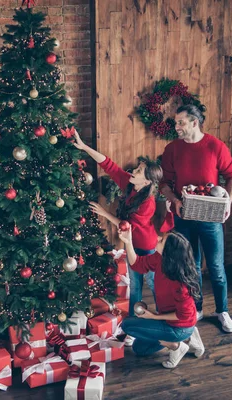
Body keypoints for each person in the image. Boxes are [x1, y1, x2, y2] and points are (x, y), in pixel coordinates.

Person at [72, 130, 162, 346]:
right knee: (136, 288)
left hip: (147, 248)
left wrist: (104, 213)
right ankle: (132, 328)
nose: (134, 171)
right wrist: (83, 147)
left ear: (148, 181)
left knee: (156, 286)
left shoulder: (147, 202)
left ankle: (164, 322)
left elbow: (127, 226)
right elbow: (108, 164)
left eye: (139, 171)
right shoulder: (130, 185)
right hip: (132, 246)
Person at [160, 104, 232, 333]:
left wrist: (228, 201)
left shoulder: (216, 146)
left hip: (210, 219)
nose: (176, 127)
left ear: (195, 122)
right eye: (176, 123)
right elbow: (164, 183)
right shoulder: (172, 149)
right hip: (183, 217)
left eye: (181, 123)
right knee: (190, 266)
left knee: (215, 266)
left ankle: (222, 310)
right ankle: (196, 308)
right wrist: (174, 200)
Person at [119, 228, 204, 369]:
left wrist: (153, 316)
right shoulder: (160, 258)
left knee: (127, 325)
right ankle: (189, 338)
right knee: (139, 349)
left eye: (162, 240)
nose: (158, 238)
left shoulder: (180, 284)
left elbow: (184, 315)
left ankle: (176, 345)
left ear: (169, 251)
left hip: (180, 326)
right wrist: (128, 241)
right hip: (168, 320)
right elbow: (137, 264)